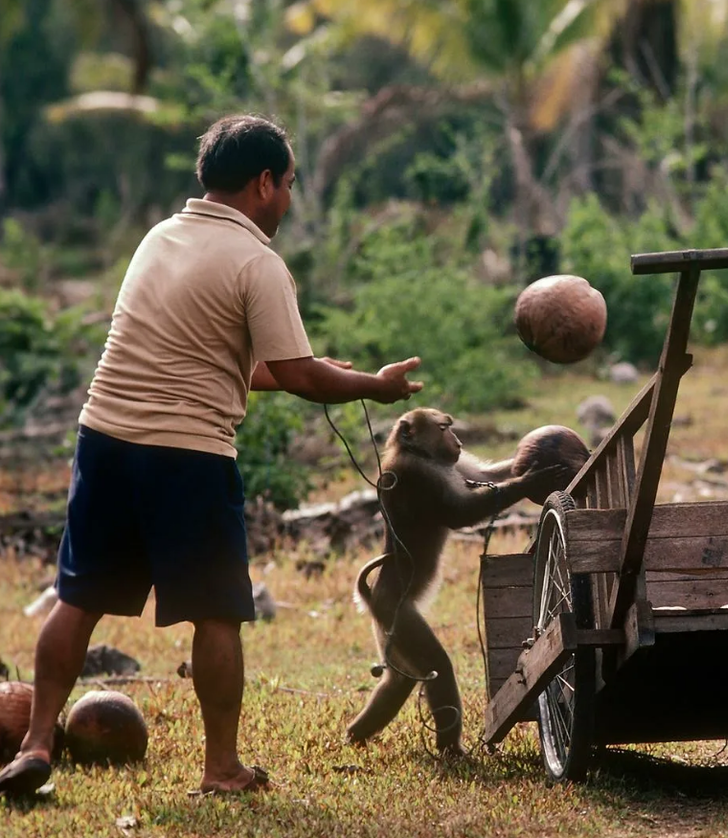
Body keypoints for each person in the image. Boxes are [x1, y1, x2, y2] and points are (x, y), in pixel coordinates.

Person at [0, 114, 422, 798]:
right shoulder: (257, 261)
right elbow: (296, 375)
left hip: (104, 437)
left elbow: (220, 360)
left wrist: (308, 368)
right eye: (287, 184)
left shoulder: (159, 238)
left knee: (77, 598)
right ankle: (222, 769)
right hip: (187, 458)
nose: (287, 198)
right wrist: (374, 384)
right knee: (218, 614)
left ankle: (38, 740)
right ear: (263, 183)